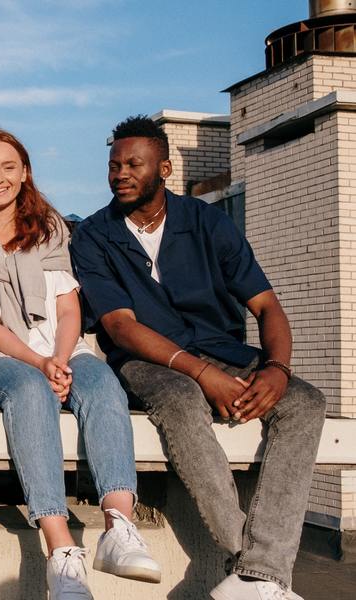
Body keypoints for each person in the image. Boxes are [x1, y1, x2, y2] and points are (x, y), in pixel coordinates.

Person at [70, 115, 326, 600]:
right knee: (183, 398)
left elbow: (267, 305)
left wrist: (276, 369)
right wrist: (204, 374)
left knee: (305, 401)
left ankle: (256, 576)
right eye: (114, 165)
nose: (121, 173)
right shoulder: (94, 236)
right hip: (149, 361)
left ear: (163, 168)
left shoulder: (208, 222)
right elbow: (121, 326)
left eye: (134, 164)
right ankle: (254, 568)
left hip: (225, 351)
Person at [0, 129, 160, 598]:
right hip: (3, 358)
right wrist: (41, 364)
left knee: (103, 382)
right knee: (28, 390)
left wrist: (60, 358)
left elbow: (68, 310)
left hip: (62, 347)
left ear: (24, 173)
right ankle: (61, 551)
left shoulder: (51, 230)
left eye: (8, 167)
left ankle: (118, 526)